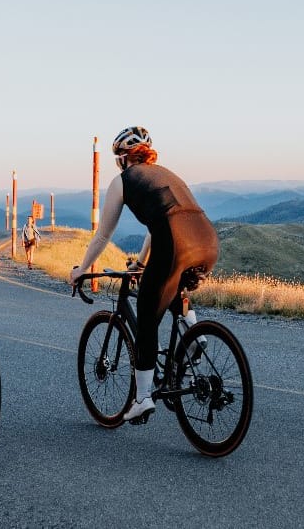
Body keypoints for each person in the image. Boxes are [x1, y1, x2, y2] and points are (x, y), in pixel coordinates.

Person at [70, 126, 219, 423]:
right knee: (173, 287)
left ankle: (141, 399)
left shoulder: (123, 181)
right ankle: (194, 331)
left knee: (147, 316)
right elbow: (163, 223)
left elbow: (103, 235)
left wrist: (81, 270)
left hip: (175, 242)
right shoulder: (168, 174)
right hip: (207, 242)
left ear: (123, 159)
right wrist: (140, 262)